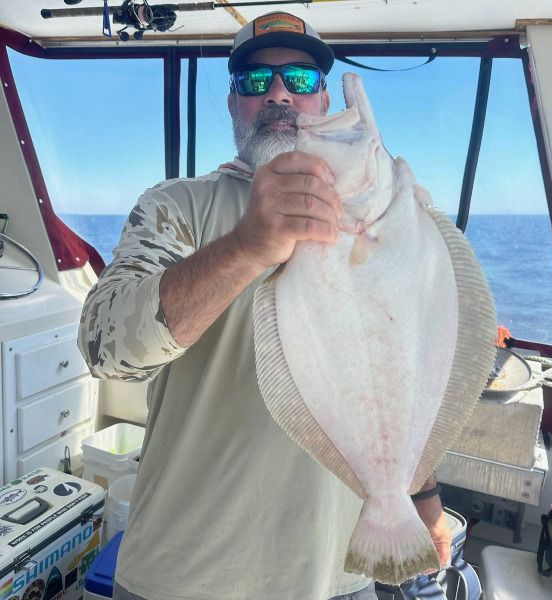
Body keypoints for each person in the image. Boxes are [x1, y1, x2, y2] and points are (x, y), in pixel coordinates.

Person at [78, 11, 451, 600]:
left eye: (300, 79)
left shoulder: (394, 219)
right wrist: (247, 246)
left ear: (323, 99)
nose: (278, 93)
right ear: (234, 103)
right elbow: (108, 351)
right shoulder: (177, 206)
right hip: (179, 578)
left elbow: (408, 375)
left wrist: (424, 500)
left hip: (336, 575)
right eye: (255, 81)